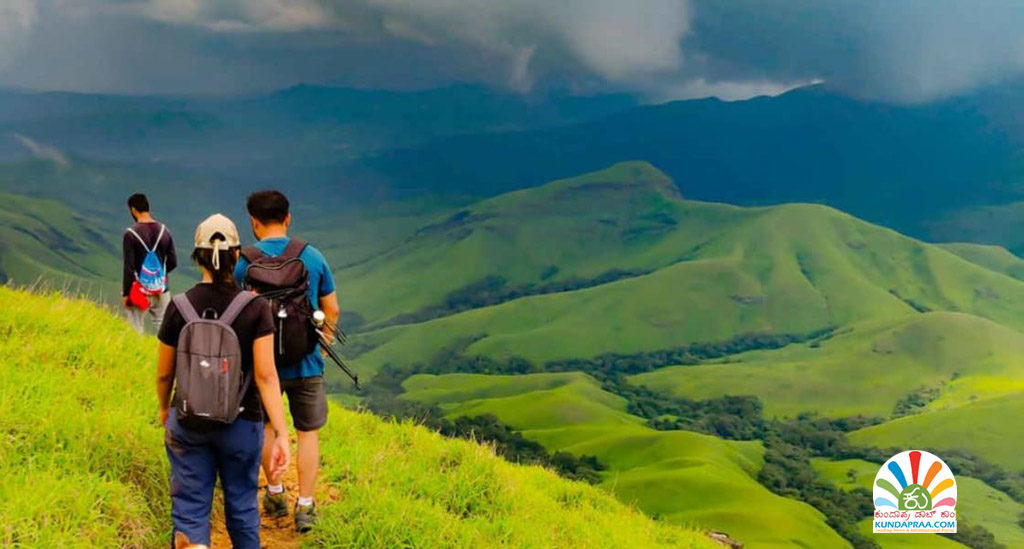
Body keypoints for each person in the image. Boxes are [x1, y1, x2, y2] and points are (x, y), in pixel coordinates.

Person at [156, 214, 291, 548]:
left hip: (187, 421)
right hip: (242, 424)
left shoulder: (179, 307)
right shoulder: (255, 307)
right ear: (236, 256)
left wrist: (164, 409)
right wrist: (281, 432)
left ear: (197, 256)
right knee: (243, 506)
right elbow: (265, 375)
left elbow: (163, 373)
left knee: (189, 510)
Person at [235, 190, 339, 533]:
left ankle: (276, 493)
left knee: (266, 427)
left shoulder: (243, 262)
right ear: (288, 217)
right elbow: (332, 310)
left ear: (253, 222)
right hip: (307, 362)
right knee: (307, 433)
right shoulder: (312, 257)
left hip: (262, 367)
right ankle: (306, 506)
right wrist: (319, 349)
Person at [123, 193, 177, 333]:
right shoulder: (165, 231)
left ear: (133, 210)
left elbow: (129, 267)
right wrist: (157, 276)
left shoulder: (130, 234)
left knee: (135, 329)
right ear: (148, 207)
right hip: (162, 289)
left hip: (139, 290)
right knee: (164, 331)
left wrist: (126, 293)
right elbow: (173, 261)